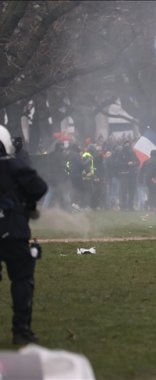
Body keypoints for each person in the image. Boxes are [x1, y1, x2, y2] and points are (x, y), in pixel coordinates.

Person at [0, 126, 48, 345]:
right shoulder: (12, 165)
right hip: (13, 230)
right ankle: (21, 330)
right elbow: (38, 186)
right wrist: (26, 204)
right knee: (21, 278)